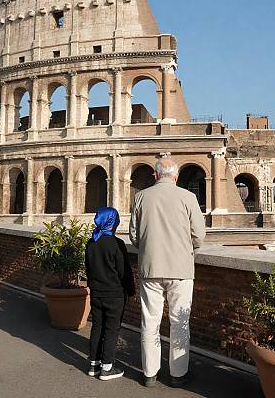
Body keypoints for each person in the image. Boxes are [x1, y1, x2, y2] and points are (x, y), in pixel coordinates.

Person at [130, 157, 206, 388]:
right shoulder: (188, 197)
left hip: (151, 267)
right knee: (179, 321)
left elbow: (134, 235)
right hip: (180, 268)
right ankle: (177, 374)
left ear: (155, 175)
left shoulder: (141, 197)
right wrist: (185, 248)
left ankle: (149, 374)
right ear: (176, 176)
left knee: (149, 321)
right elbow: (199, 235)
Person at [85, 206, 135, 381]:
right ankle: (107, 368)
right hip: (114, 294)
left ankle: (93, 364)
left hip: (97, 293)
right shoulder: (117, 244)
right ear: (112, 222)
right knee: (112, 330)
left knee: (97, 327)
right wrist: (130, 290)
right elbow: (124, 272)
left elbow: (88, 269)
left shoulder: (91, 242)